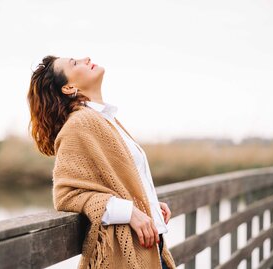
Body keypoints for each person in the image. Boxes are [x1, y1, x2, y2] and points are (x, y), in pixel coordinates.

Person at [27, 55, 177, 269]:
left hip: (152, 249)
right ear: (69, 87)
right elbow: (66, 196)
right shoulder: (78, 125)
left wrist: (148, 204)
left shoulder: (105, 119)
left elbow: (116, 179)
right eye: (74, 63)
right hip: (128, 258)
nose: (85, 58)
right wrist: (129, 212)